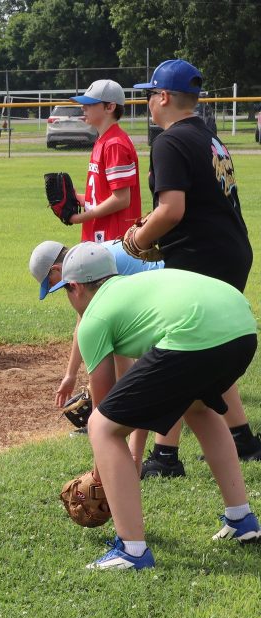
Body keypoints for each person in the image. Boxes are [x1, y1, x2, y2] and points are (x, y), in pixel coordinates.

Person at [46, 242, 259, 569]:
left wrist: (101, 474)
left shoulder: (93, 319)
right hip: (241, 325)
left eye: (65, 291)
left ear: (74, 286)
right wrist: (131, 454)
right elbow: (132, 396)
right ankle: (242, 521)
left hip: (196, 331)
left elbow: (107, 410)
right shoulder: (132, 289)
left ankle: (131, 551)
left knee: (100, 426)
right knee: (198, 408)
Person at [129, 58, 261, 477]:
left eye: (150, 94)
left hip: (202, 258)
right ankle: (241, 439)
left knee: (183, 350)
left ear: (164, 97)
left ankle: (165, 457)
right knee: (206, 345)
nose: (148, 102)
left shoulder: (168, 141)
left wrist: (139, 238)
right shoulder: (208, 135)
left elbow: (171, 209)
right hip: (230, 250)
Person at [29, 239, 164, 460]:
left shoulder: (93, 266)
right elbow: (83, 323)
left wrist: (100, 422)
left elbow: (93, 328)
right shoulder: (86, 263)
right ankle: (119, 420)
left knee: (143, 373)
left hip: (162, 293)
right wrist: (70, 375)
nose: (57, 290)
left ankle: (118, 425)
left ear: (56, 269)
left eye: (52, 283)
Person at [66, 80, 141, 243]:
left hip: (113, 238)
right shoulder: (104, 140)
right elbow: (102, 196)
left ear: (110, 107)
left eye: (90, 104)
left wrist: (81, 217)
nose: (83, 108)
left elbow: (122, 199)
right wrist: (77, 197)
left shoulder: (115, 144)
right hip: (101, 235)